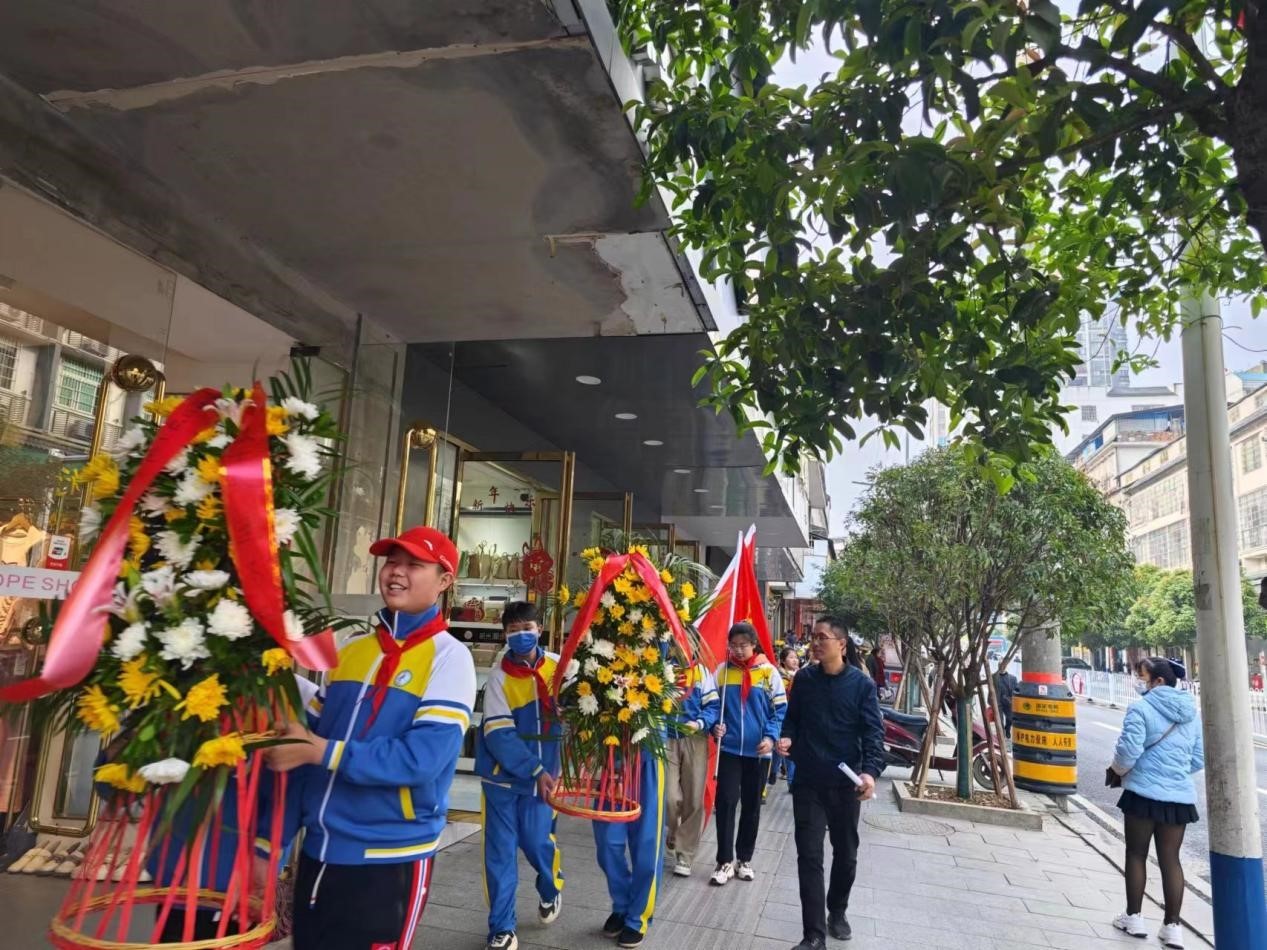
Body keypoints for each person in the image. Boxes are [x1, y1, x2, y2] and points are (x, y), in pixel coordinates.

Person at [265, 525, 477, 950]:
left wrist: (321, 751)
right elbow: (313, 737)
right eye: (391, 562)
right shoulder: (352, 649)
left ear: (444, 581)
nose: (396, 573)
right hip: (319, 851)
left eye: (413, 565)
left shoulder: (451, 658)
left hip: (388, 858)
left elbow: (421, 760)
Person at [779, 615, 885, 950]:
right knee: (809, 857)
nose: (815, 642)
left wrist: (869, 772)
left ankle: (837, 910)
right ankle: (813, 936)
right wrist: (786, 739)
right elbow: (791, 721)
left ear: (841, 644)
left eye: (823, 637)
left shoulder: (861, 686)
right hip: (808, 780)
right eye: (813, 636)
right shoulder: (804, 681)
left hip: (844, 784)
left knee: (847, 854)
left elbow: (873, 734)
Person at [474, 601, 564, 950]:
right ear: (504, 635)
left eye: (526, 628)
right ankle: (502, 927)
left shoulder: (560, 668)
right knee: (499, 854)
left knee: (537, 842)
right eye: (512, 630)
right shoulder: (499, 677)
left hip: (545, 782)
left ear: (539, 629)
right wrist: (534, 768)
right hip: (501, 780)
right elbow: (498, 734)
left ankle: (550, 886)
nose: (520, 635)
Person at [1109, 657, 1204, 950]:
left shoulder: (1141, 708)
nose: (1139, 681)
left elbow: (1128, 752)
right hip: (1178, 798)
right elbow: (1198, 757)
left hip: (1142, 794)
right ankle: (1172, 927)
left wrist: (1117, 770)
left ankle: (1133, 917)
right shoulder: (1191, 713)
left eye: (1142, 676)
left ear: (1158, 681)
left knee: (1136, 854)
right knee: (1171, 860)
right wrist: (1172, 773)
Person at [710, 622, 787, 886]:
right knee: (726, 803)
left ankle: (744, 859)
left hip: (759, 754)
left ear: (754, 644)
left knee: (752, 807)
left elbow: (779, 711)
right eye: (734, 645)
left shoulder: (769, 674)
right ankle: (724, 861)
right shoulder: (722, 672)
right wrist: (714, 726)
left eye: (743, 645)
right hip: (729, 750)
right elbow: (711, 706)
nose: (739, 650)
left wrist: (770, 737)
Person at [665, 650, 721, 877]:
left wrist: (699, 723)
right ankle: (673, 832)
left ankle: (685, 855)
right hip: (665, 736)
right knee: (668, 796)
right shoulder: (662, 667)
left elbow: (713, 707)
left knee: (693, 797)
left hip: (694, 738)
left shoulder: (702, 672)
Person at [766, 647, 801, 799]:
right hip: (780, 716)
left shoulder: (800, 675)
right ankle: (772, 772)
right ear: (783, 661)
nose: (795, 660)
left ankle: (791, 782)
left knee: (788, 751)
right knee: (778, 751)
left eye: (796, 657)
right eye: (791, 657)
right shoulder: (778, 676)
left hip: (793, 718)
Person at [993, 657, 1018, 739]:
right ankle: (1001, 734)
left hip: (1008, 702)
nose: (1001, 666)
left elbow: (1015, 690)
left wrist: (1012, 699)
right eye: (1000, 665)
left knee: (1010, 718)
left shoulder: (1012, 678)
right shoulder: (994, 677)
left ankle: (1007, 728)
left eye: (1003, 665)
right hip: (998, 702)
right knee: (999, 720)